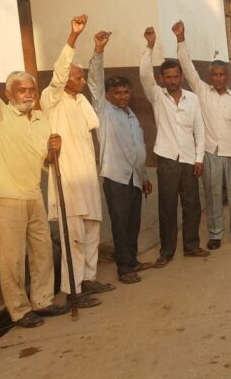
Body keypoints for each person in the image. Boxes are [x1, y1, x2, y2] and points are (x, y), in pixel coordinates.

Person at [0, 15, 71, 327]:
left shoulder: (42, 119)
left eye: (31, 89)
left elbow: (46, 160)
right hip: (5, 198)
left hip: (33, 195)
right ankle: (19, 310)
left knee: (42, 251)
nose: (28, 94)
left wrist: (54, 149)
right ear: (9, 94)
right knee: (12, 260)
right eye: (21, 90)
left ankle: (42, 301)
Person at [40, 15, 108, 306]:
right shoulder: (51, 99)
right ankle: (73, 291)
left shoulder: (81, 100)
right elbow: (59, 73)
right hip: (67, 182)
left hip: (87, 178)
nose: (82, 81)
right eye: (78, 77)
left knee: (92, 231)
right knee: (74, 238)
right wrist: (73, 36)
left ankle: (88, 279)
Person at [173, 21, 231, 250]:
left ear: (227, 76)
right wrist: (180, 39)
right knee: (213, 194)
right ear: (210, 76)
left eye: (221, 75)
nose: (218, 78)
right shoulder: (202, 91)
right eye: (214, 75)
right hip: (210, 152)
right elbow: (188, 69)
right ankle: (215, 233)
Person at [87, 30, 153, 284]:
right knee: (121, 224)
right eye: (117, 93)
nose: (123, 96)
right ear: (108, 95)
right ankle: (124, 269)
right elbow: (95, 81)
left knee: (133, 223)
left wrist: (144, 176)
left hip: (134, 178)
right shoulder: (103, 111)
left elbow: (138, 149)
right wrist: (99, 50)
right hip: (116, 179)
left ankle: (132, 260)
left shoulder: (131, 115)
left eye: (126, 92)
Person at [140, 26, 208, 267]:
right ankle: (166, 251)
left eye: (175, 76)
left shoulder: (192, 99)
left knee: (192, 205)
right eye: (167, 77)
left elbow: (199, 130)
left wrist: (199, 158)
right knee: (167, 207)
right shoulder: (157, 96)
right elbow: (144, 74)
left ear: (181, 77)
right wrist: (150, 46)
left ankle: (191, 246)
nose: (172, 80)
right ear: (162, 79)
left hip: (189, 160)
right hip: (167, 159)